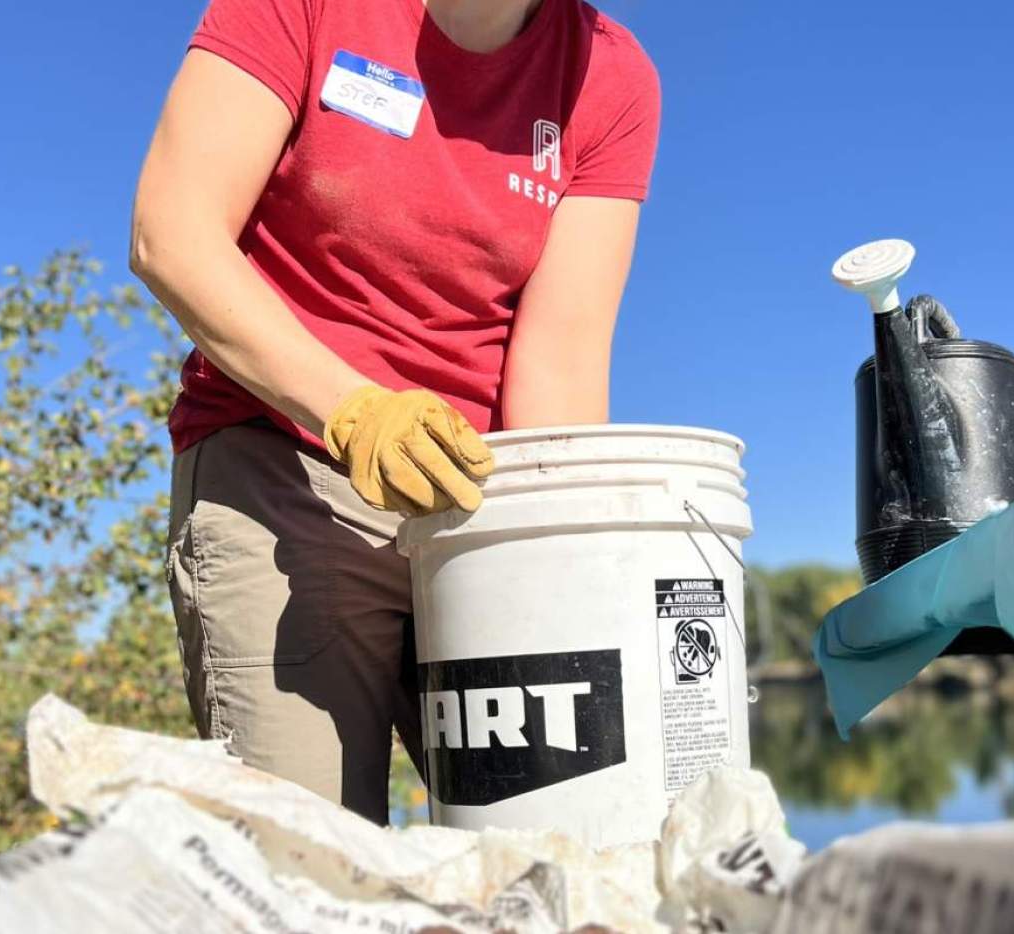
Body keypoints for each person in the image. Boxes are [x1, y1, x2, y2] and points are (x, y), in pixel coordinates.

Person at [130, 0, 661, 824]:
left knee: (554, 842)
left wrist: (564, 556)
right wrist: (355, 412)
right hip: (284, 463)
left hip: (476, 500)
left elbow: (559, 362)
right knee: (313, 864)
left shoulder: (611, 73)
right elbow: (174, 233)